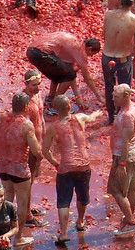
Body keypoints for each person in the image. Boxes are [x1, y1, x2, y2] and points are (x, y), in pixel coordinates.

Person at [41, 94, 101, 245]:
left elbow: (45, 151)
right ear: (69, 107)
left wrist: (56, 164)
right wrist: (97, 113)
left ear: (55, 109)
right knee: (82, 196)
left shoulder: (53, 128)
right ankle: (80, 222)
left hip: (66, 167)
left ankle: (64, 233)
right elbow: (92, 118)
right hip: (83, 165)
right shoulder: (80, 118)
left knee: (63, 201)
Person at [0, 92, 42, 243]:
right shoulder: (26, 124)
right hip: (19, 169)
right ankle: (18, 238)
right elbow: (36, 150)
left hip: (3, 167)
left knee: (6, 201)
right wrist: (39, 160)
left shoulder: (0, 119)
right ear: (26, 107)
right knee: (22, 204)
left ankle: (2, 234)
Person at [26, 32, 101, 107]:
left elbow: (71, 74)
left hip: (31, 51)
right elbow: (87, 78)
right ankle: (55, 104)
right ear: (89, 49)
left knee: (60, 73)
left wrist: (78, 97)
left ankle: (51, 97)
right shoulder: (80, 51)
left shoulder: (73, 46)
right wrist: (100, 98)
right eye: (92, 54)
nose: (91, 56)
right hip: (40, 54)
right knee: (67, 74)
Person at [106, 83, 135, 236]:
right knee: (132, 189)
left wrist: (121, 164)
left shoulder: (127, 116)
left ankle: (130, 221)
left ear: (126, 96)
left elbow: (126, 141)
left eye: (116, 97)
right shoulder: (132, 106)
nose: (113, 99)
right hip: (133, 153)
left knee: (116, 189)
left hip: (125, 156)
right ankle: (128, 219)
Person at [102, 0, 135, 122]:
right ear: (133, 4)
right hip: (123, 58)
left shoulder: (109, 14)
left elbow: (105, 33)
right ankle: (122, 116)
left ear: (119, 2)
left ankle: (110, 117)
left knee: (109, 87)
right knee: (124, 88)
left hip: (107, 56)